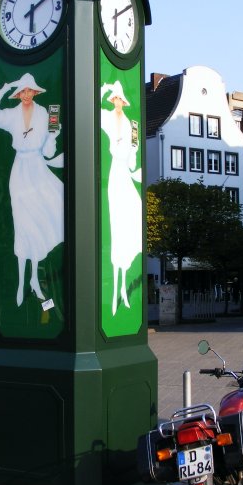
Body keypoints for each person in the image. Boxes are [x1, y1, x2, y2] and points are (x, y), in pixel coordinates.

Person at [0, 73, 64, 307]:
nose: (26, 95)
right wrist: (3, 90)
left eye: (29, 91)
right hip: (20, 167)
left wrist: (53, 136)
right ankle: (21, 282)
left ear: (35, 92)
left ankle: (34, 279)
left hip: (36, 164)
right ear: (19, 94)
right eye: (22, 91)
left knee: (39, 218)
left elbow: (48, 149)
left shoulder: (45, 113)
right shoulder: (12, 113)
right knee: (21, 220)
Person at [100, 80, 141, 315]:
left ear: (124, 102)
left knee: (128, 222)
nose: (117, 102)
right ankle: (116, 289)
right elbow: (93, 111)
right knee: (115, 225)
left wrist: (136, 172)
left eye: (119, 99)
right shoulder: (106, 117)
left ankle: (123, 288)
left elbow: (134, 157)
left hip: (125, 172)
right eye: (114, 98)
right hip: (114, 173)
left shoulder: (132, 125)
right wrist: (103, 88)